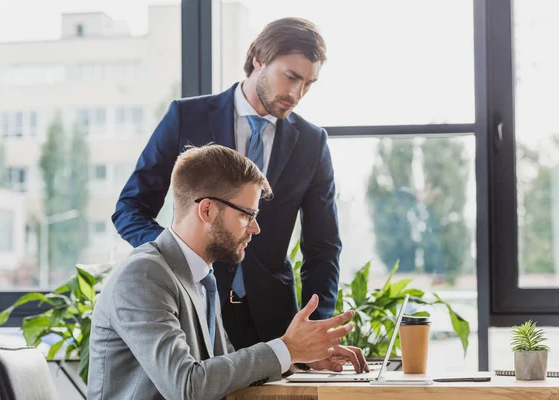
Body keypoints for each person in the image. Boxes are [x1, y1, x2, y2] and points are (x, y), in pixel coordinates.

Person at [113, 17, 341, 350]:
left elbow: (323, 246)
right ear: (259, 59)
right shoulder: (185, 117)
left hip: (272, 318)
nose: (296, 93)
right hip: (191, 303)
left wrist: (317, 333)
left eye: (308, 83)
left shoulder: (311, 142)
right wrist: (178, 258)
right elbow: (130, 209)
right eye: (291, 77)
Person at [89, 145, 367, 400]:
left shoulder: (202, 276)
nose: (256, 228)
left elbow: (221, 371)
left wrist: (299, 357)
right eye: (247, 214)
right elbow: (187, 386)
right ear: (207, 210)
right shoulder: (144, 276)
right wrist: (287, 347)